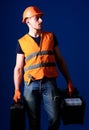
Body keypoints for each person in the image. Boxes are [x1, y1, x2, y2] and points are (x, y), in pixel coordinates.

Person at [13, 6, 74, 130]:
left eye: (41, 18)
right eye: (37, 18)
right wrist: (17, 89)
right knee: (33, 122)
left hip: (49, 83)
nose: (41, 20)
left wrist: (69, 81)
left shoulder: (50, 37)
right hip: (30, 85)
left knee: (55, 119)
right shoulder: (22, 42)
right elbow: (18, 68)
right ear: (28, 21)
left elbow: (60, 61)